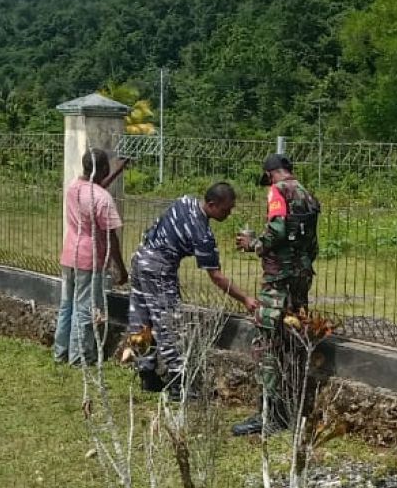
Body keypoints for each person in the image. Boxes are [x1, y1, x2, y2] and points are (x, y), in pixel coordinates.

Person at [129, 182, 258, 394]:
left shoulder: (184, 200)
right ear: (211, 204)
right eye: (226, 209)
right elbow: (216, 276)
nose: (229, 213)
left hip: (140, 258)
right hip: (160, 269)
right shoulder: (202, 233)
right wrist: (245, 299)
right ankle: (177, 383)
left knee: (141, 320)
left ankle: (147, 375)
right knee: (169, 324)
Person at [232, 153, 320, 437]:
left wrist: (253, 244)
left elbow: (278, 229)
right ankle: (290, 408)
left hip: (278, 280)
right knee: (293, 339)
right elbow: (313, 242)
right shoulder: (307, 194)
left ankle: (270, 415)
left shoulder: (278, 191)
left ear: (270, 174)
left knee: (268, 343)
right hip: (300, 277)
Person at [53, 148, 128, 367]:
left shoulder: (73, 188)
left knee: (67, 305)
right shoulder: (102, 199)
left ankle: (61, 352)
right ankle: (80, 358)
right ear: (103, 169)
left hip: (69, 255)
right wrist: (121, 269)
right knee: (85, 309)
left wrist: (116, 172)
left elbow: (92, 193)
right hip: (90, 258)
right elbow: (111, 236)